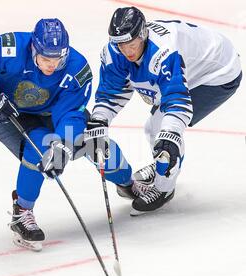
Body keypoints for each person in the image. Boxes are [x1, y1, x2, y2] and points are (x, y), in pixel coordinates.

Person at [0, 18, 93, 251]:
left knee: (98, 145)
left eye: (58, 59)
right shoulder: (10, 47)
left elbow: (72, 113)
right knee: (40, 148)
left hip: (53, 116)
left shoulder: (77, 68)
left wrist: (64, 144)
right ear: (33, 47)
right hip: (10, 115)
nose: (51, 65)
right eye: (45, 58)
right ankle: (22, 211)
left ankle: (129, 184)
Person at [84, 6, 242, 216]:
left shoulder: (164, 51)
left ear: (143, 34)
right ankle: (163, 163)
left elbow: (176, 98)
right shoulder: (114, 53)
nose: (127, 51)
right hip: (194, 64)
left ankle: (164, 188)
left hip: (218, 72)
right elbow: (111, 92)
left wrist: (170, 136)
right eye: (121, 45)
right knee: (158, 129)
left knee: (159, 129)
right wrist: (100, 119)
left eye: (131, 44)